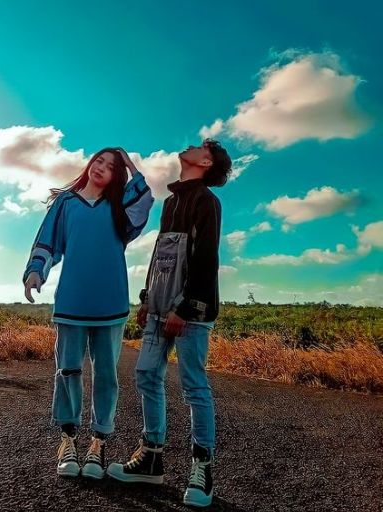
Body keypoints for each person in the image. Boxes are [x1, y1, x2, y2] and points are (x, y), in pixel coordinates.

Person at [107, 139, 231, 508]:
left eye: (198, 147)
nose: (190, 146)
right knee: (146, 375)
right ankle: (151, 456)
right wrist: (147, 298)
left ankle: (202, 468)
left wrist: (186, 308)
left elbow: (207, 259)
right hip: (160, 308)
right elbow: (161, 252)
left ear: (205, 161)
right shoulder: (172, 202)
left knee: (194, 385)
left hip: (190, 312)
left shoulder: (207, 201)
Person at [23, 147, 154, 480]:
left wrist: (128, 161)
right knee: (67, 370)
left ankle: (98, 443)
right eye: (99, 160)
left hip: (110, 304)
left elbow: (144, 200)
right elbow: (47, 243)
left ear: (116, 176)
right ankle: (68, 440)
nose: (102, 167)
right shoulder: (66, 203)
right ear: (89, 164)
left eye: (111, 167)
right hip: (72, 302)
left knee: (106, 373)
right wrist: (36, 271)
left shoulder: (118, 207)